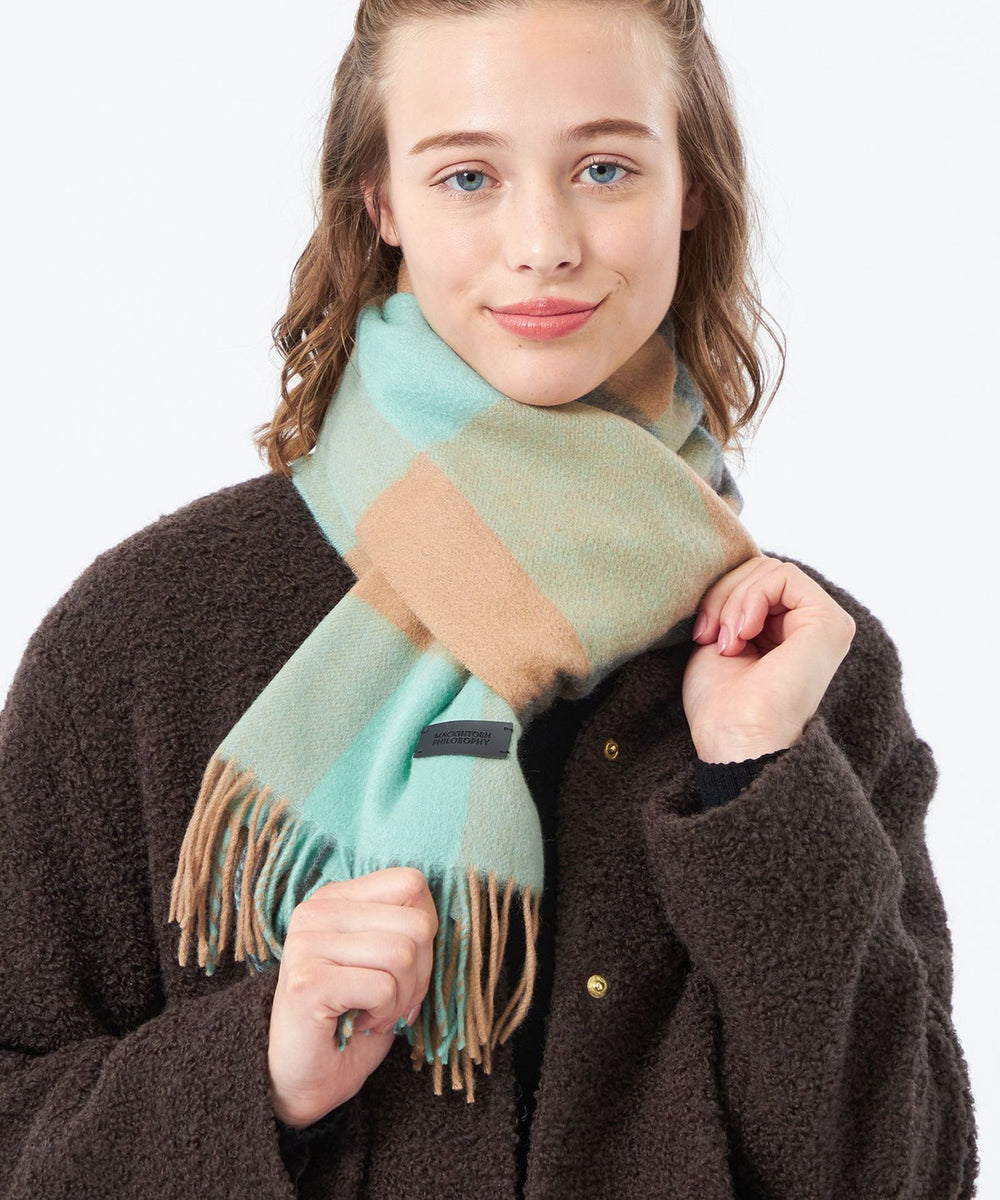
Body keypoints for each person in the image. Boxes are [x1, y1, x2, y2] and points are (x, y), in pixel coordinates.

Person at [0, 0, 980, 1197]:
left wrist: (756, 784)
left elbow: (909, 1173)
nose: (543, 242)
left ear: (691, 188)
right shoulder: (144, 638)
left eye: (605, 168)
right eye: (468, 176)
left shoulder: (800, 662)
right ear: (380, 202)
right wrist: (253, 1075)